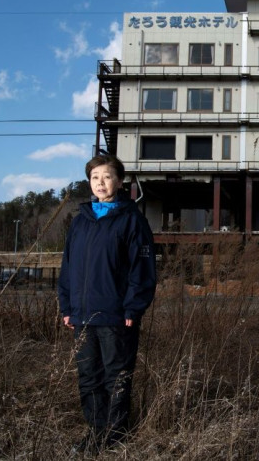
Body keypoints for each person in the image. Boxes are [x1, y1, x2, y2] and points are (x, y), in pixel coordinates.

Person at [58, 154, 157, 454]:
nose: (100, 183)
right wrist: (67, 307)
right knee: (89, 377)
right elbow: (68, 267)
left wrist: (132, 307)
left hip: (116, 316)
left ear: (119, 180)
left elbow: (143, 269)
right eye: (95, 177)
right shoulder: (81, 221)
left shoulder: (132, 220)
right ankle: (96, 431)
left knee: (116, 377)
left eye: (107, 176)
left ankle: (115, 435)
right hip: (83, 316)